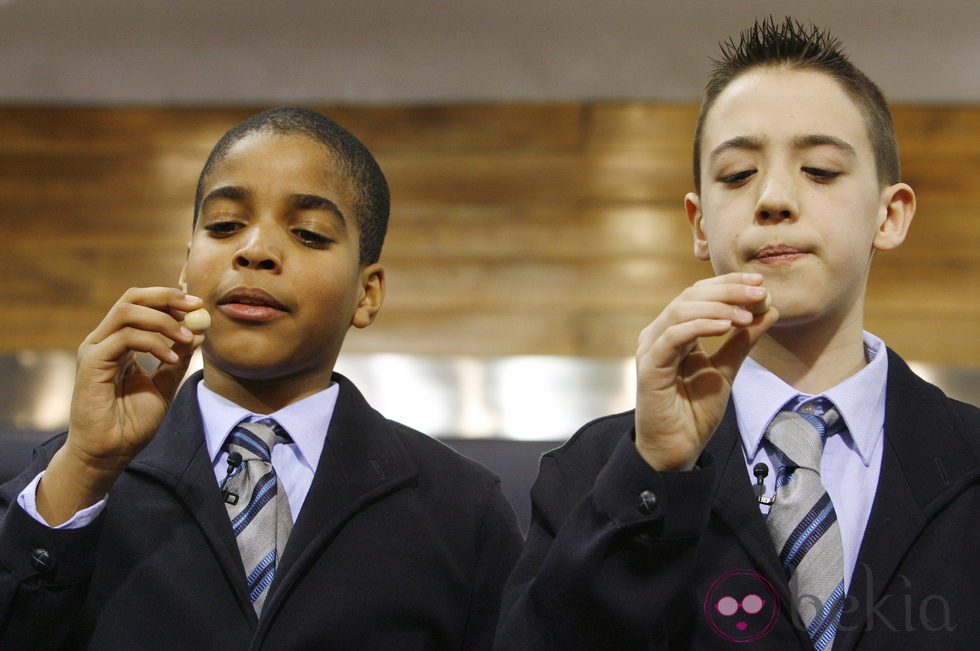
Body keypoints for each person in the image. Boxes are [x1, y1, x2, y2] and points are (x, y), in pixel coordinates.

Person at [495, 17, 980, 650]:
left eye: (822, 170)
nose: (774, 198)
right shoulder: (594, 471)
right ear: (699, 225)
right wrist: (654, 474)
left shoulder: (969, 458)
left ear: (889, 215)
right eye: (737, 175)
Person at [0, 106, 522, 649]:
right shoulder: (67, 481)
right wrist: (87, 465)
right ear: (186, 271)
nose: (254, 252)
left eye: (310, 234)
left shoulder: (462, 508)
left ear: (366, 294)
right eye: (225, 226)